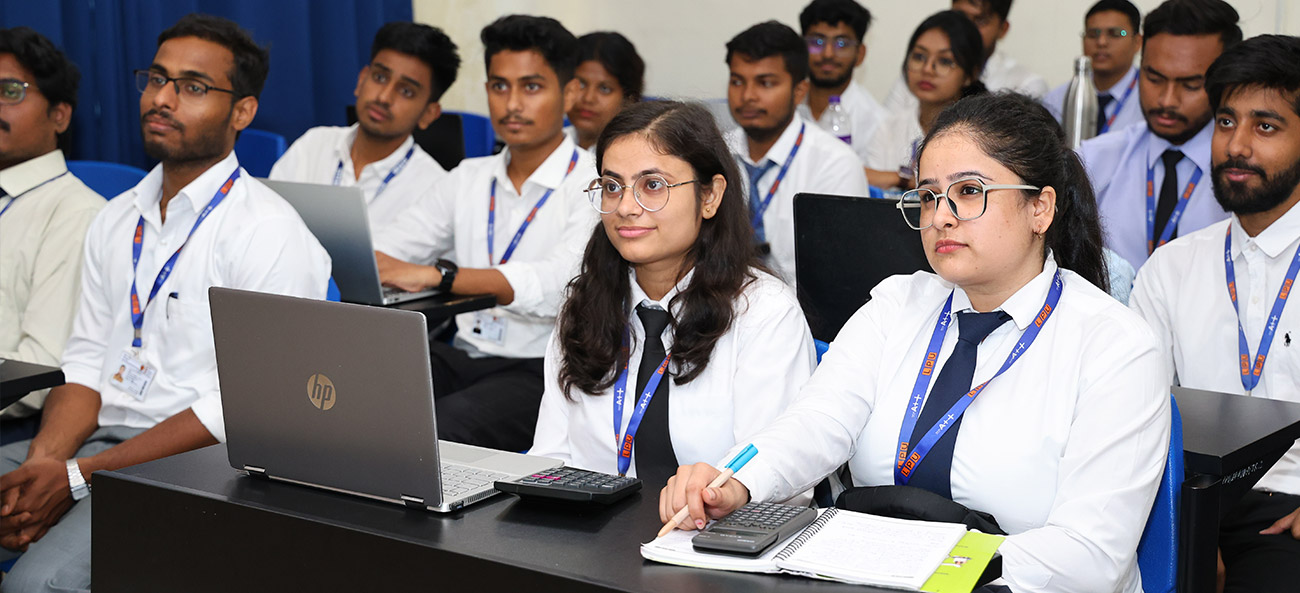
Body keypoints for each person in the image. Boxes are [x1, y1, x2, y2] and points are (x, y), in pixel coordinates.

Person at [661, 93, 1170, 593]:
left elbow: (1090, 556)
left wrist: (930, 563)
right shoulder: (897, 304)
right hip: (872, 574)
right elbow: (817, 421)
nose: (940, 216)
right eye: (928, 196)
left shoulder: (1115, 346)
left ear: (1040, 208)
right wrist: (735, 480)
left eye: (969, 191)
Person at [0, 14, 329, 591]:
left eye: (193, 87)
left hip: (203, 465)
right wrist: (45, 463)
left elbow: (244, 410)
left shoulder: (268, 232)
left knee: (34, 587)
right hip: (98, 442)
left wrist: (77, 477)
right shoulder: (115, 216)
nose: (163, 97)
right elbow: (83, 361)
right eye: (157, 78)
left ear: (243, 112)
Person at [530, 100, 817, 488]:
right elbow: (551, 458)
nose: (627, 207)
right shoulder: (585, 303)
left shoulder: (763, 312)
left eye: (653, 186)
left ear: (711, 196)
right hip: (590, 532)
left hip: (710, 536)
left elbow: (773, 473)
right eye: (612, 187)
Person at [373, 15, 597, 453]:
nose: (511, 104)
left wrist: (441, 277)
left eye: (531, 87)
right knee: (353, 394)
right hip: (461, 351)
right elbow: (387, 250)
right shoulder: (468, 178)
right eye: (499, 86)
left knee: (437, 429)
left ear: (569, 93)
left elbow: (558, 285)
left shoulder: (595, 182)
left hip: (543, 366)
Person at [1130, 34, 1300, 593]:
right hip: (1183, 497)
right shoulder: (1173, 267)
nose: (1237, 146)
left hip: (1290, 509)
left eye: (1266, 126)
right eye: (1226, 123)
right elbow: (1136, 413)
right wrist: (1186, 529)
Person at [1079, 0, 1241, 270]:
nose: (1167, 100)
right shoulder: (1095, 160)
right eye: (1153, 78)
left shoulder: (1244, 170)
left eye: (1190, 85)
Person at [0, 28, 105, 443]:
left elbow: (37, 373)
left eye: (11, 91)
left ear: (59, 116)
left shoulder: (77, 214)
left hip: (15, 427)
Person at [269, 22, 459, 234]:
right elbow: (267, 222)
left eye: (406, 91)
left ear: (428, 114)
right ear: (361, 80)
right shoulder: (313, 146)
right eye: (379, 77)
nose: (384, 97)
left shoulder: (434, 189)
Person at [723, 20, 868, 283]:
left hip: (804, 316)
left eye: (765, 83)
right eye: (737, 81)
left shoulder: (835, 165)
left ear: (799, 91)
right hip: (717, 310)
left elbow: (842, 275)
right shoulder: (715, 154)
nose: (747, 96)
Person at [866, 11, 985, 190]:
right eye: (919, 57)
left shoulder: (982, 134)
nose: (928, 69)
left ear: (970, 75)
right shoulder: (889, 128)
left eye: (944, 61)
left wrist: (900, 181)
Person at [883, 0, 1047, 114]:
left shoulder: (1025, 84)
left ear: (1003, 29)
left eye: (980, 20)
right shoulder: (920, 74)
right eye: (960, 15)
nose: (965, 27)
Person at [796, 0, 887, 166]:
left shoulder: (878, 123)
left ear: (860, 54)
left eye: (841, 44)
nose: (828, 54)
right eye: (817, 42)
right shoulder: (785, 109)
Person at [1042, 0, 1144, 134]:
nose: (1101, 42)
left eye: (1115, 33)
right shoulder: (1056, 101)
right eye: (1092, 34)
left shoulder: (1149, 99)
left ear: (1137, 42)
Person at [565, 31, 644, 151]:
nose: (588, 98)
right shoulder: (545, 145)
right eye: (581, 84)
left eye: (604, 89)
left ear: (629, 99)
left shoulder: (636, 155)